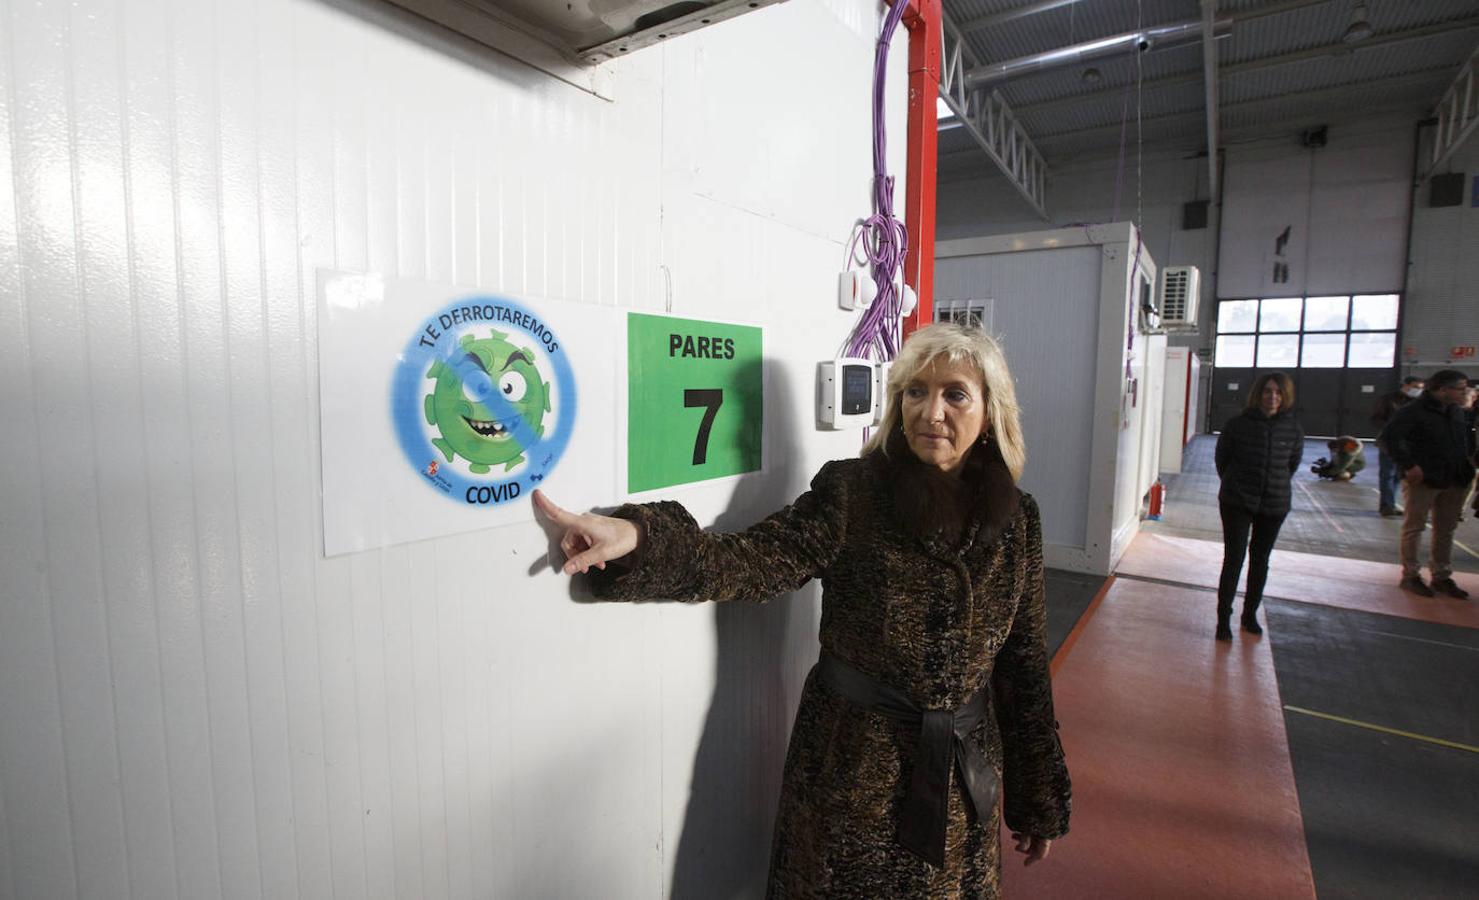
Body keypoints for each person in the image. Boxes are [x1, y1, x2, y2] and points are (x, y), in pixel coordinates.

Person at [533, 324, 1070, 897]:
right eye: (915, 391)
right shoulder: (854, 493)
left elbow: (1023, 666)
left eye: (955, 394)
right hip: (852, 771)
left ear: (989, 412)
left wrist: (1038, 800)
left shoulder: (1017, 520)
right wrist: (639, 538)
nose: (930, 411)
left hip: (962, 779)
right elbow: (748, 560)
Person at [1213, 372, 1304, 641]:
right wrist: (1236, 484)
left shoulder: (1293, 429)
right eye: (1267, 391)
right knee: (1234, 559)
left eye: (1278, 392)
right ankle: (1223, 618)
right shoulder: (1237, 425)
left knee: (1260, 560)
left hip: (1274, 504)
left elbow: (1291, 465)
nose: (1272, 397)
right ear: (1258, 394)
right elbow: (1223, 460)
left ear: (1285, 396)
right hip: (1237, 501)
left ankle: (1249, 613)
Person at [1381, 369, 1475, 599]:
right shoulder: (1413, 411)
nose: (1466, 393)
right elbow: (1388, 438)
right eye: (1461, 389)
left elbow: (1463, 441)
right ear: (1443, 390)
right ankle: (1411, 575)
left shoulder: (1456, 412)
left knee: (1446, 529)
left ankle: (1441, 575)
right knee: (1415, 527)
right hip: (1424, 479)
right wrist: (1409, 465)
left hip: (1454, 478)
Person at [1371, 376, 1424, 516]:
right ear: (1405, 385)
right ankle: (1386, 506)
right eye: (1416, 387)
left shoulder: (1419, 402)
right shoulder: (1388, 400)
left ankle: (1392, 503)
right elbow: (1376, 419)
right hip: (1389, 443)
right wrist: (1392, 431)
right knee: (1387, 473)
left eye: (1420, 388)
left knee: (1398, 476)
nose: (1418, 390)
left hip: (1409, 445)